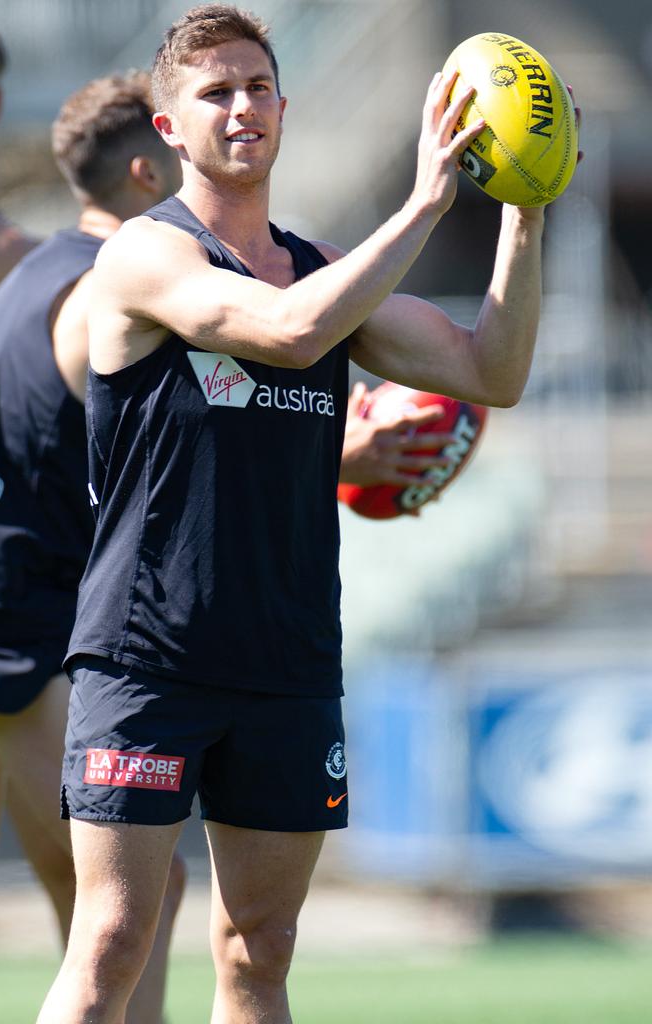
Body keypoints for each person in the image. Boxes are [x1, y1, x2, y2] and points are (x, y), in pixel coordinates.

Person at [34, 4, 551, 1023]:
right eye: (214, 93)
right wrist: (426, 201)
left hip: (287, 662)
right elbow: (285, 332)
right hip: (147, 655)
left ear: (284, 108)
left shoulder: (322, 269)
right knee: (110, 946)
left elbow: (494, 369)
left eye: (258, 87)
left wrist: (528, 206)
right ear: (169, 130)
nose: (241, 107)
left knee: (259, 952)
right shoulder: (143, 259)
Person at [0, 69, 196, 1024]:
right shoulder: (112, 284)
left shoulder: (31, 260)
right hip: (3, 605)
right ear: (147, 172)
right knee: (137, 890)